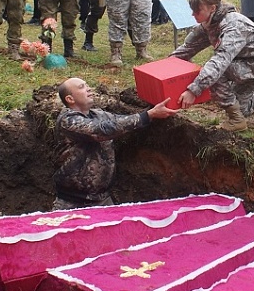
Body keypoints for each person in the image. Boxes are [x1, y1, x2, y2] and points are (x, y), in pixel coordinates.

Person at [170, 0, 254, 132]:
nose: (193, 14)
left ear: (212, 8)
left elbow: (220, 62)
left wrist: (193, 90)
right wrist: (164, 67)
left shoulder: (233, 26)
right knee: (242, 108)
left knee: (216, 73)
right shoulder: (210, 23)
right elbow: (188, 48)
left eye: (197, 10)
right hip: (244, 59)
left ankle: (236, 120)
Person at [53, 77, 176, 210]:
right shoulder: (68, 120)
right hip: (71, 203)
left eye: (87, 85)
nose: (88, 88)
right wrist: (148, 115)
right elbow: (103, 130)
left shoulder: (98, 114)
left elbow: (121, 121)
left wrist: (152, 110)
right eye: (81, 87)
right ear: (70, 99)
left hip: (102, 200)